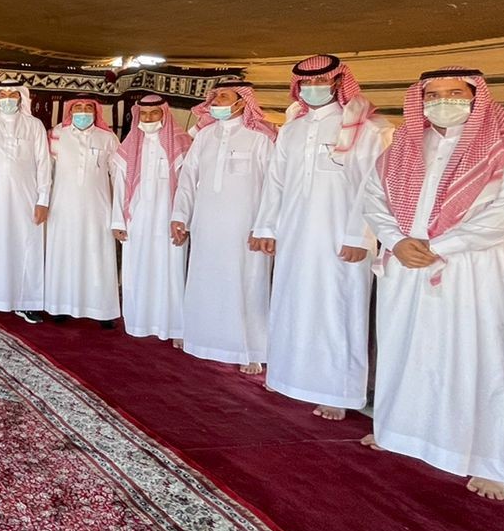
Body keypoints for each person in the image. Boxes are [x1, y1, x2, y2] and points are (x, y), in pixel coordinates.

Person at [363, 69, 504, 499]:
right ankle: (402, 430)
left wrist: (442, 246)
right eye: (434, 94)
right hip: (409, 264)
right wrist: (397, 241)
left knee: (485, 356)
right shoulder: (406, 145)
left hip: (480, 269)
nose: (443, 101)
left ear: (476, 97)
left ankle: (493, 459)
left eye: (454, 93)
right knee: (411, 350)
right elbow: (373, 198)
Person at [250, 55, 389, 419]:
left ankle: (337, 392)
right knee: (292, 302)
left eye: (321, 82)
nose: (313, 89)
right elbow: (276, 181)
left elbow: (374, 187)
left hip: (341, 237)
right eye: (306, 83)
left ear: (338, 83)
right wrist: (266, 227)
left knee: (337, 308)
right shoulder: (292, 128)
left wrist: (360, 236)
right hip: (295, 233)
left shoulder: (366, 128)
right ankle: (290, 377)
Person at [171, 81, 275, 370]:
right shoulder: (204, 136)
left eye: (223, 97)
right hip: (206, 223)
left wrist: (265, 226)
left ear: (242, 102)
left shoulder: (261, 138)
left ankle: (251, 350)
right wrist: (180, 216)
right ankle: (203, 340)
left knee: (248, 284)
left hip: (246, 226)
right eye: (214, 96)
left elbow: (273, 186)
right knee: (206, 280)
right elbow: (188, 179)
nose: (215, 101)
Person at [0, 84, 50, 323]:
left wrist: (43, 200)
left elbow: (44, 164)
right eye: (2, 95)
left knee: (26, 247)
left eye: (12, 94)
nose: (7, 99)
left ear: (21, 98)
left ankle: (27, 303)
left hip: (26, 199)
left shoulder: (34, 125)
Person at [112, 94, 190, 343]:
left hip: (170, 220)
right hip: (137, 220)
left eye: (154, 113)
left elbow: (188, 186)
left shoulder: (181, 142)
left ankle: (174, 328)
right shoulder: (129, 145)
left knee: (171, 272)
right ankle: (139, 322)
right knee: (137, 271)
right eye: (143, 114)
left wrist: (184, 220)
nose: (148, 118)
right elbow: (120, 186)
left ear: (164, 114)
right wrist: (117, 221)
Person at [42, 96, 120, 326]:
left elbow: (117, 175)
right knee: (63, 256)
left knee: (98, 257)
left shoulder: (107, 138)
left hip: (98, 209)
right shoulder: (56, 135)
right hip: (62, 208)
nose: (83, 112)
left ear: (96, 112)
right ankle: (60, 306)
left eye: (88, 108)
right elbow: (46, 171)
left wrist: (119, 210)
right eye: (78, 107)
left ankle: (102, 310)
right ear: (70, 111)